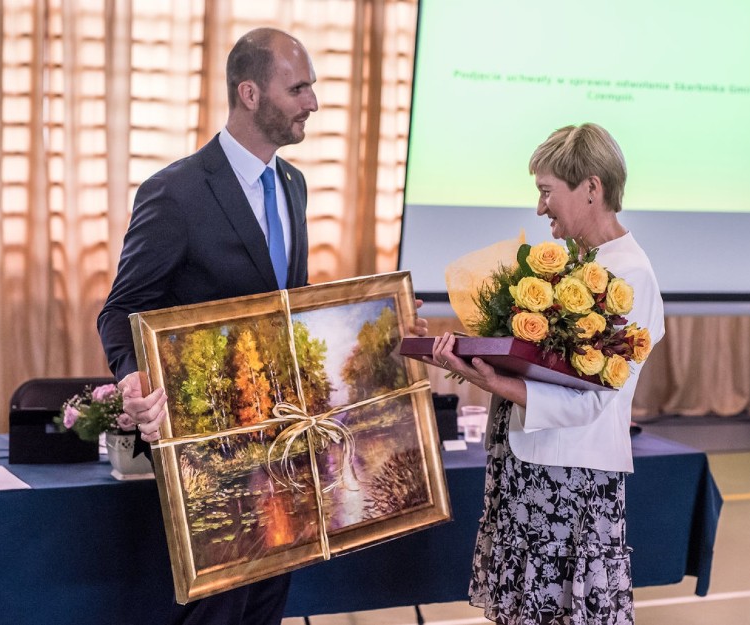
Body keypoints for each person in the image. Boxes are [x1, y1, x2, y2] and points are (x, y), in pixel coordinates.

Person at [98, 27, 425, 625]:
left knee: (266, 611)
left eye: (314, 87)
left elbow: (289, 311)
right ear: (249, 94)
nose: (313, 102)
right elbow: (121, 309)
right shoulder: (174, 193)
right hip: (209, 454)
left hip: (285, 449)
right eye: (298, 88)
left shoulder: (294, 185)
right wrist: (131, 376)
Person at [429, 124, 665, 625]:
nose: (540, 209)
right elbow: (538, 369)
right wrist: (461, 358)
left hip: (571, 483)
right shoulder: (576, 264)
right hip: (532, 473)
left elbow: (593, 400)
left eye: (546, 192)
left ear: (591, 189)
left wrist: (490, 380)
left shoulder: (631, 277)